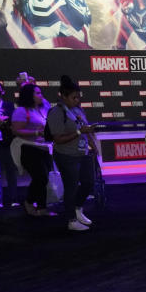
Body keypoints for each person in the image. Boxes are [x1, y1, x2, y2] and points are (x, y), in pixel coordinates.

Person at [46, 76, 97, 232]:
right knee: (71, 187)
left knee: (88, 183)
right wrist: (78, 131)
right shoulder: (56, 112)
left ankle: (77, 209)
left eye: (78, 97)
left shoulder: (78, 110)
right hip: (66, 156)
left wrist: (93, 145)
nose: (77, 100)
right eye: (74, 97)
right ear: (63, 97)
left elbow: (84, 128)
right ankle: (71, 220)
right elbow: (58, 139)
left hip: (83, 153)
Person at [10, 84, 54, 217]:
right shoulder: (22, 111)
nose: (41, 95)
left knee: (44, 178)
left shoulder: (42, 108)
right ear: (30, 95)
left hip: (43, 148)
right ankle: (31, 203)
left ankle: (41, 208)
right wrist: (36, 133)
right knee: (40, 177)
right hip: (28, 148)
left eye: (41, 93)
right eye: (38, 93)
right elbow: (16, 130)